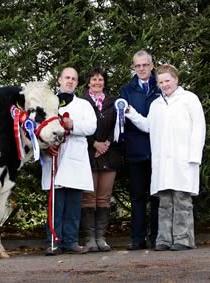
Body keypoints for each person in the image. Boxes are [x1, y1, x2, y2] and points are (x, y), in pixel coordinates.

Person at [125, 64, 206, 251]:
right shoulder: (156, 104)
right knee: (164, 202)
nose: (164, 85)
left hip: (183, 160)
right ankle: (164, 239)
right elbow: (148, 126)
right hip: (163, 162)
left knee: (182, 200)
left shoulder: (189, 99)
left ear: (176, 79)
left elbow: (199, 129)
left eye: (167, 80)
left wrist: (194, 156)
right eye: (161, 82)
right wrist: (131, 113)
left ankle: (183, 239)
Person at [41, 67, 97, 255]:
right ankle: (53, 241)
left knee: (73, 204)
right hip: (55, 156)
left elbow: (91, 127)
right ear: (59, 80)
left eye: (74, 78)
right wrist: (46, 147)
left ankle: (71, 241)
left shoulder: (83, 105)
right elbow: (39, 128)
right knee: (56, 203)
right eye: (67, 77)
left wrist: (73, 125)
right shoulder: (48, 103)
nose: (70, 81)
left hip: (74, 158)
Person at [120, 50, 160, 250]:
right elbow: (123, 122)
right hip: (135, 150)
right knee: (137, 196)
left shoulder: (161, 86)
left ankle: (156, 237)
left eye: (145, 65)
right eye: (138, 66)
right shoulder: (126, 90)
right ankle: (137, 239)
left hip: (158, 149)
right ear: (134, 67)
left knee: (157, 196)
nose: (141, 69)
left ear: (151, 66)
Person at [80, 67, 123, 252]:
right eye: (94, 79)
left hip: (109, 155)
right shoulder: (81, 101)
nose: (97, 82)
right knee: (88, 198)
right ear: (88, 82)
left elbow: (120, 127)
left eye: (100, 80)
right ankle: (89, 238)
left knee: (104, 198)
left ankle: (101, 237)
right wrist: (94, 144)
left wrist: (106, 144)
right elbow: (77, 127)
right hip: (88, 155)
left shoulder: (114, 102)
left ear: (104, 82)